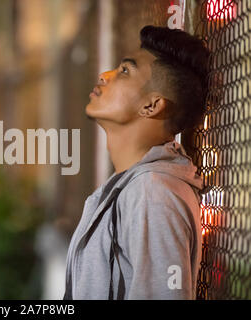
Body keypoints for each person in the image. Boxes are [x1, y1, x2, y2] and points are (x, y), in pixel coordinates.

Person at [63, 25, 210, 300]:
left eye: (125, 71)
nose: (104, 75)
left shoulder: (153, 192)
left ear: (152, 106)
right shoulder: (132, 186)